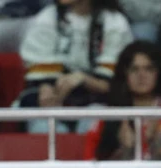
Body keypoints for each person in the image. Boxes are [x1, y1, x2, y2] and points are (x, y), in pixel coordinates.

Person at [16, 0, 134, 134]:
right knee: (43, 127)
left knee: (94, 119)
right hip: (55, 102)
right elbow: (38, 74)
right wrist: (45, 88)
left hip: (98, 101)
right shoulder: (46, 18)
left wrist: (83, 79)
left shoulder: (114, 22)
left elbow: (116, 84)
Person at [84, 41, 161, 161]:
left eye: (149, 69)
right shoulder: (108, 115)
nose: (141, 75)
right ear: (125, 74)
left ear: (159, 73)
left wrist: (155, 146)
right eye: (134, 69)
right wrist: (126, 151)